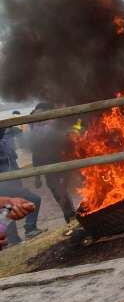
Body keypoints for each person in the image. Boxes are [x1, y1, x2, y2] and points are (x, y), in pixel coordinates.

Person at [28, 103, 77, 235]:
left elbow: (76, 127)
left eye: (41, 113)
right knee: (59, 194)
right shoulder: (33, 128)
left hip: (62, 160)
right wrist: (37, 176)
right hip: (48, 166)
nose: (38, 117)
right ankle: (71, 220)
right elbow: (35, 152)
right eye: (36, 114)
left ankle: (74, 219)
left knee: (64, 192)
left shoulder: (56, 121)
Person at [0, 127, 43, 245]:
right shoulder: (3, 145)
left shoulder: (5, 142)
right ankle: (28, 230)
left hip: (11, 183)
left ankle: (15, 238)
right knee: (33, 200)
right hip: (5, 185)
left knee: (8, 210)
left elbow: (12, 161)